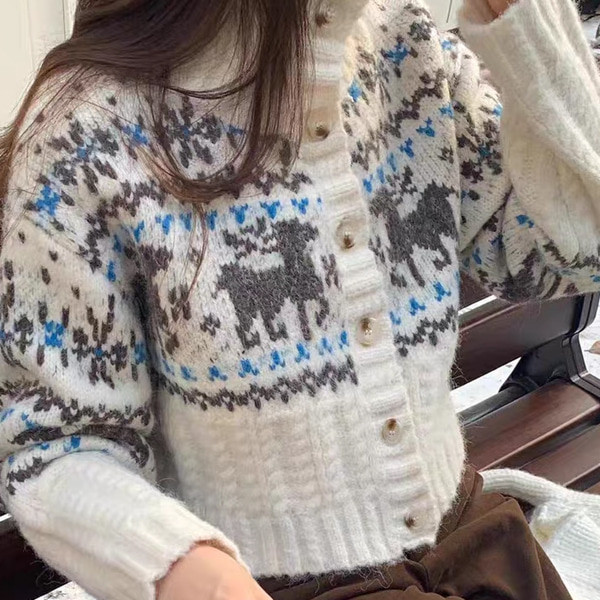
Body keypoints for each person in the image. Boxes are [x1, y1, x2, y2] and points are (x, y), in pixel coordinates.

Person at [1, 0, 599, 598]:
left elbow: (571, 256)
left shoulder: (406, 42)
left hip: (472, 535)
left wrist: (532, 29)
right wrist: (188, 571)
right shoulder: (84, 134)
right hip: (261, 582)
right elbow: (52, 448)